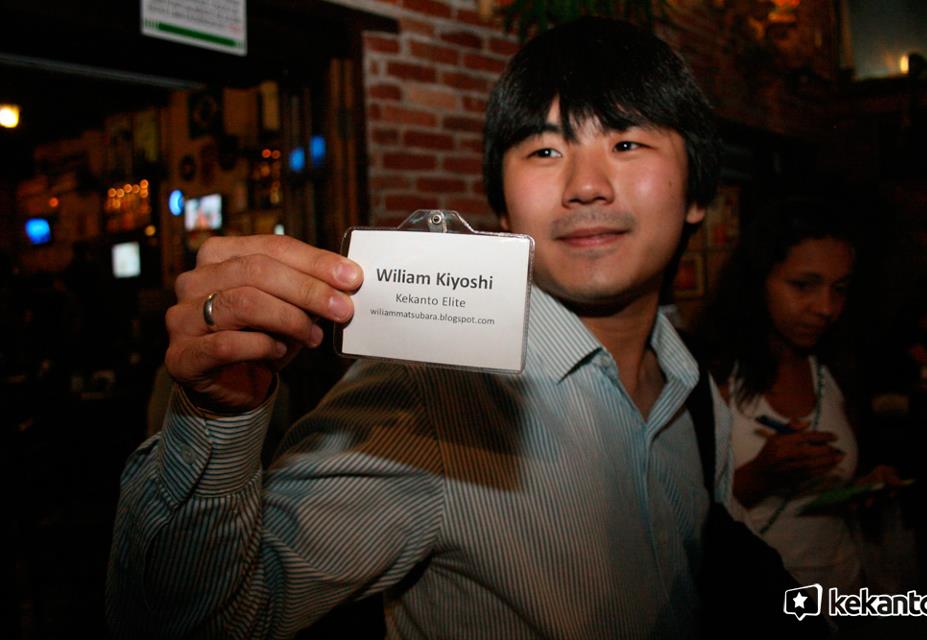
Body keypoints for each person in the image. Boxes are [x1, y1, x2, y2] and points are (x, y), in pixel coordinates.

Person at [107, 17, 734, 638]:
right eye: (545, 151)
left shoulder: (699, 389)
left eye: (626, 144)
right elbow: (199, 622)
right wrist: (219, 417)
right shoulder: (434, 394)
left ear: (697, 193)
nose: (586, 187)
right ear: (503, 204)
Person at [694, 196, 902, 594]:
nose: (826, 308)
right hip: (758, 599)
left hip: (844, 590)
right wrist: (761, 474)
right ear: (757, 281)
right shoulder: (711, 374)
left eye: (839, 289)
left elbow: (836, 485)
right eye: (803, 285)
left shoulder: (835, 369)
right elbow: (682, 516)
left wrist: (863, 488)